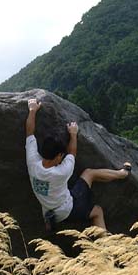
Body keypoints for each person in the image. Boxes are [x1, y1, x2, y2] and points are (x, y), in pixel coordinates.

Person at [25, 98, 131, 232]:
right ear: (58, 156)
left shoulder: (32, 162)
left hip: (48, 212)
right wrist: (73, 134)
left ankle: (51, 222)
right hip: (68, 210)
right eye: (61, 155)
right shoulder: (61, 172)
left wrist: (32, 110)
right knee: (96, 206)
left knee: (82, 182)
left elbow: (29, 133)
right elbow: (72, 153)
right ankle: (122, 174)